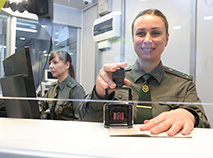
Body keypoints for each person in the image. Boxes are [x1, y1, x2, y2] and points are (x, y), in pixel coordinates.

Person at [79, 9, 210, 136]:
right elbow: (86, 121)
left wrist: (190, 116)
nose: (147, 40)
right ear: (133, 38)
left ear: (167, 39)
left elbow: (205, 127)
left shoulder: (183, 85)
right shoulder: (113, 79)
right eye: (141, 33)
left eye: (156, 33)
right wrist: (99, 94)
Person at [40, 51, 85, 120]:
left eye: (55, 62)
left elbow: (80, 120)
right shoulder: (53, 87)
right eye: (50, 63)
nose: (51, 66)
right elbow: (42, 104)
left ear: (67, 65)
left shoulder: (76, 89)